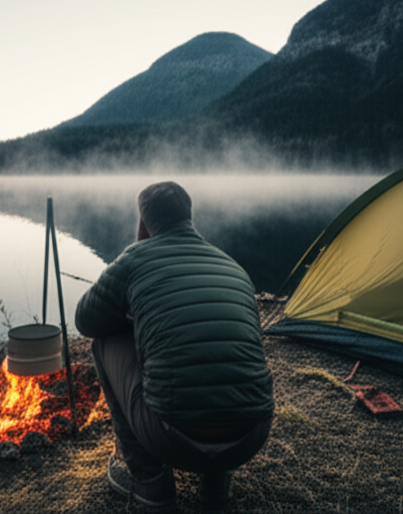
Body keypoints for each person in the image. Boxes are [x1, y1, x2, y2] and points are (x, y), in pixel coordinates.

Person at [74, 181, 274, 509]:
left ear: (143, 221)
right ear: (188, 217)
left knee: (105, 340)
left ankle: (151, 484)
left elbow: (86, 321)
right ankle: (216, 488)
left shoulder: (135, 258)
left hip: (172, 438)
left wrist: (134, 298)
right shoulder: (231, 266)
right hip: (251, 435)